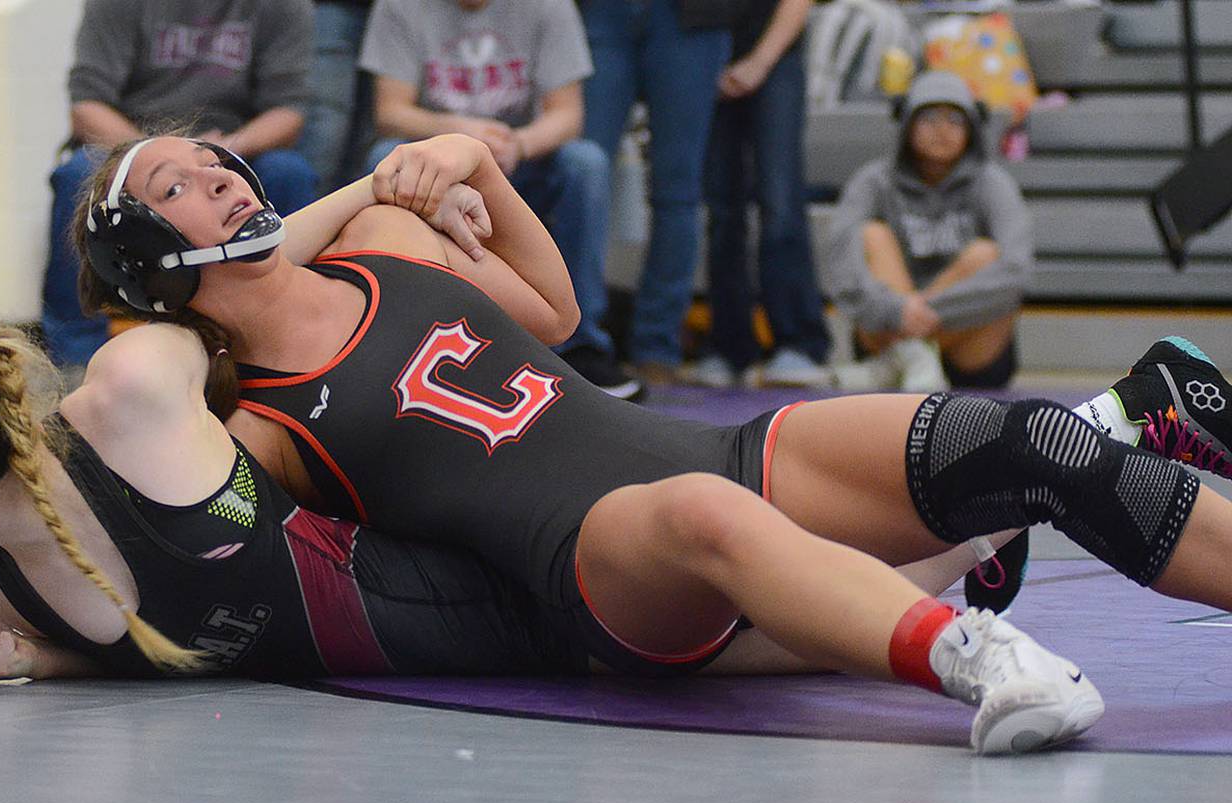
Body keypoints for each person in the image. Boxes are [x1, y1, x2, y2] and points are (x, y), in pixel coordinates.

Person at [74, 132, 1232, 754]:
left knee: (1012, 439)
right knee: (706, 517)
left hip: (694, 450)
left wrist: (477, 161)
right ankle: (977, 659)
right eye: (179, 184)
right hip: (599, 560)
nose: (220, 176)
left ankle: (1032, 505)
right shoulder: (262, 429)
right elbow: (201, 551)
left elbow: (556, 309)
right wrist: (50, 639)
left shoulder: (385, 238)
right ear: (148, 257)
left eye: (217, 160)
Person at [358, 0, 637, 400]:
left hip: (520, 158)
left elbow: (567, 116)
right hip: (436, 161)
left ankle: (582, 345)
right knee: (381, 158)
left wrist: (517, 145)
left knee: (585, 163)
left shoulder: (549, 7)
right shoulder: (399, 6)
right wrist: (460, 135)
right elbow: (390, 112)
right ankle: (396, 341)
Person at [41, 0, 319, 367]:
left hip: (231, 145)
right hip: (135, 146)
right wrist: (158, 157)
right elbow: (87, 106)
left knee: (289, 172)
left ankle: (289, 327)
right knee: (77, 175)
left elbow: (288, 112)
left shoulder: (283, 6)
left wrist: (222, 151)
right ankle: (74, 355)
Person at [825, 70, 1032, 392]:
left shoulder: (993, 183)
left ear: (972, 129)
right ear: (907, 124)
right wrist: (895, 310)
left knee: (985, 255)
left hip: (968, 350)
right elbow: (840, 260)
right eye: (929, 118)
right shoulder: (873, 182)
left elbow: (1016, 270)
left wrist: (920, 311)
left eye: (955, 120)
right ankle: (911, 357)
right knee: (871, 236)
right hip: (884, 329)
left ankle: (902, 360)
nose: (942, 130)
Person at [578, 0, 733, 384]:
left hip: (691, 16)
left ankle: (657, 347)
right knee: (583, 174)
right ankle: (576, 340)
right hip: (601, 10)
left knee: (678, 190)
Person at [694, 0, 830, 390]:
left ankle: (799, 341)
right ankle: (728, 344)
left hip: (775, 54)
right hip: (700, 55)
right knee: (721, 208)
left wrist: (759, 62)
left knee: (780, 200)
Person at [297, 0, 375, 198]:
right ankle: (314, 210)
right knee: (326, 126)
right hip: (333, 7)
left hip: (393, 10)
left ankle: (356, 210)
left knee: (369, 136)